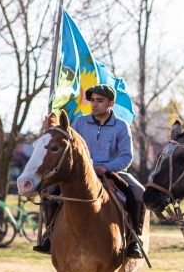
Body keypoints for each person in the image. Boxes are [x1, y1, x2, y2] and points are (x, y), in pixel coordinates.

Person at [33, 84, 146, 259]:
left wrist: (106, 167)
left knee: (138, 191)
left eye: (100, 101)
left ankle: (135, 240)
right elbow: (66, 146)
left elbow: (126, 157)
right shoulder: (79, 122)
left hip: (110, 172)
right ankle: (49, 235)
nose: (94, 104)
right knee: (49, 191)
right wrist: (48, 130)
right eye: (92, 100)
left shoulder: (122, 126)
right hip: (79, 174)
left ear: (111, 103)